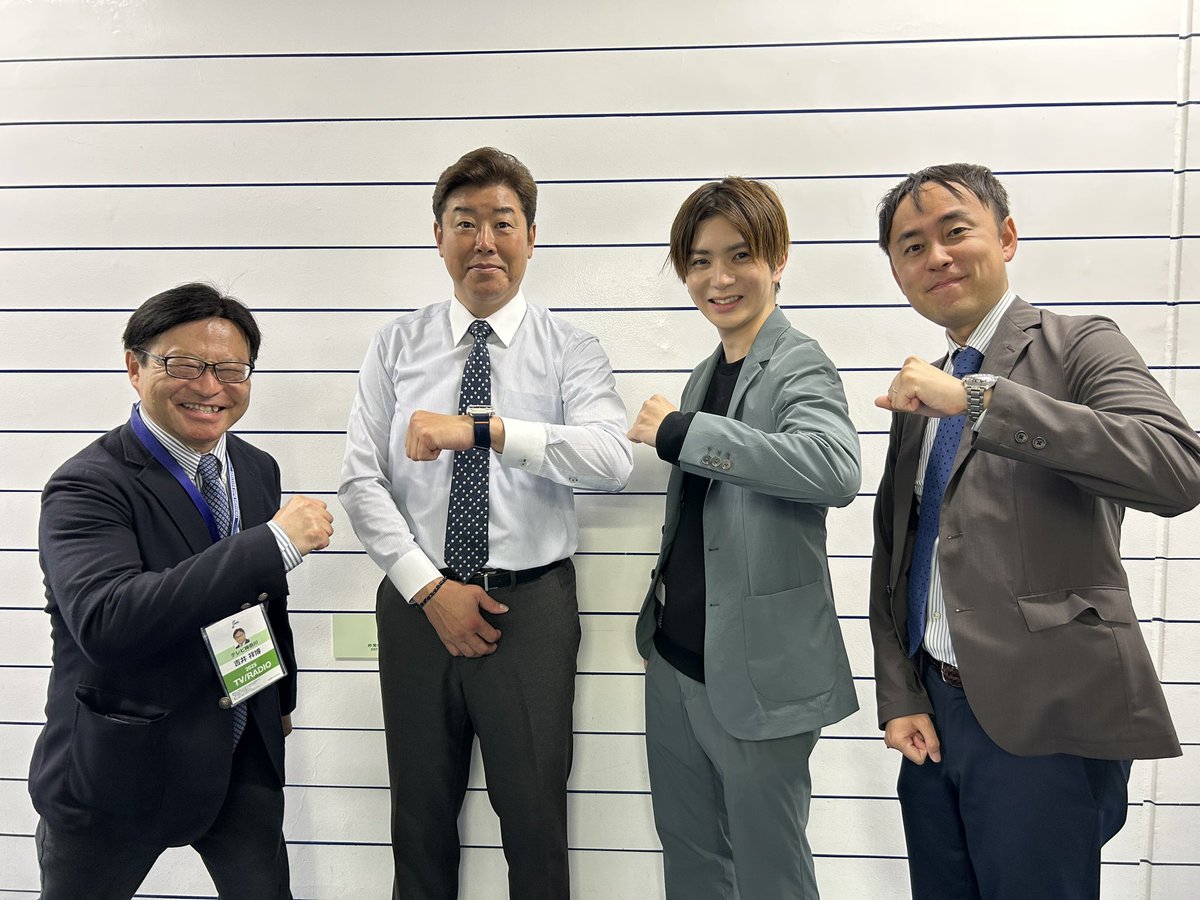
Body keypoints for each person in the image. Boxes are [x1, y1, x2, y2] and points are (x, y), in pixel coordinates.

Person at [869, 163, 1200, 899]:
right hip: (933, 715)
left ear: (1007, 237)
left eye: (956, 231)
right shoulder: (921, 385)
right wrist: (901, 692)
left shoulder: (1079, 346)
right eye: (912, 247)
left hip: (1045, 715)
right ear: (897, 273)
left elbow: (1178, 468)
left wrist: (981, 400)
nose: (936, 257)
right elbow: (898, 555)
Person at [339, 146, 633, 899]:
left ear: (531, 237)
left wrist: (488, 430)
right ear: (438, 236)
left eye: (503, 223)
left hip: (530, 609)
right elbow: (361, 480)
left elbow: (611, 459)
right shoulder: (395, 345)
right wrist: (428, 587)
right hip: (416, 603)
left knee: (535, 827)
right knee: (418, 824)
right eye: (464, 223)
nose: (484, 242)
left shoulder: (570, 349)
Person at [29, 283, 334, 899]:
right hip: (120, 763)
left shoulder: (255, 467)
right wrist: (271, 543)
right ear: (134, 367)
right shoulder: (86, 485)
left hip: (241, 748)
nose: (210, 386)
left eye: (231, 369)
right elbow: (109, 620)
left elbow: (264, 600)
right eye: (185, 365)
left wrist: (279, 699)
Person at [629, 177, 861, 899]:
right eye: (700, 261)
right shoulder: (705, 373)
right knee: (693, 862)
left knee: (770, 874)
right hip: (677, 659)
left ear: (777, 259)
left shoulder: (800, 361)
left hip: (758, 672)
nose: (718, 278)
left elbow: (834, 467)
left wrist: (682, 433)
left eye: (739, 256)